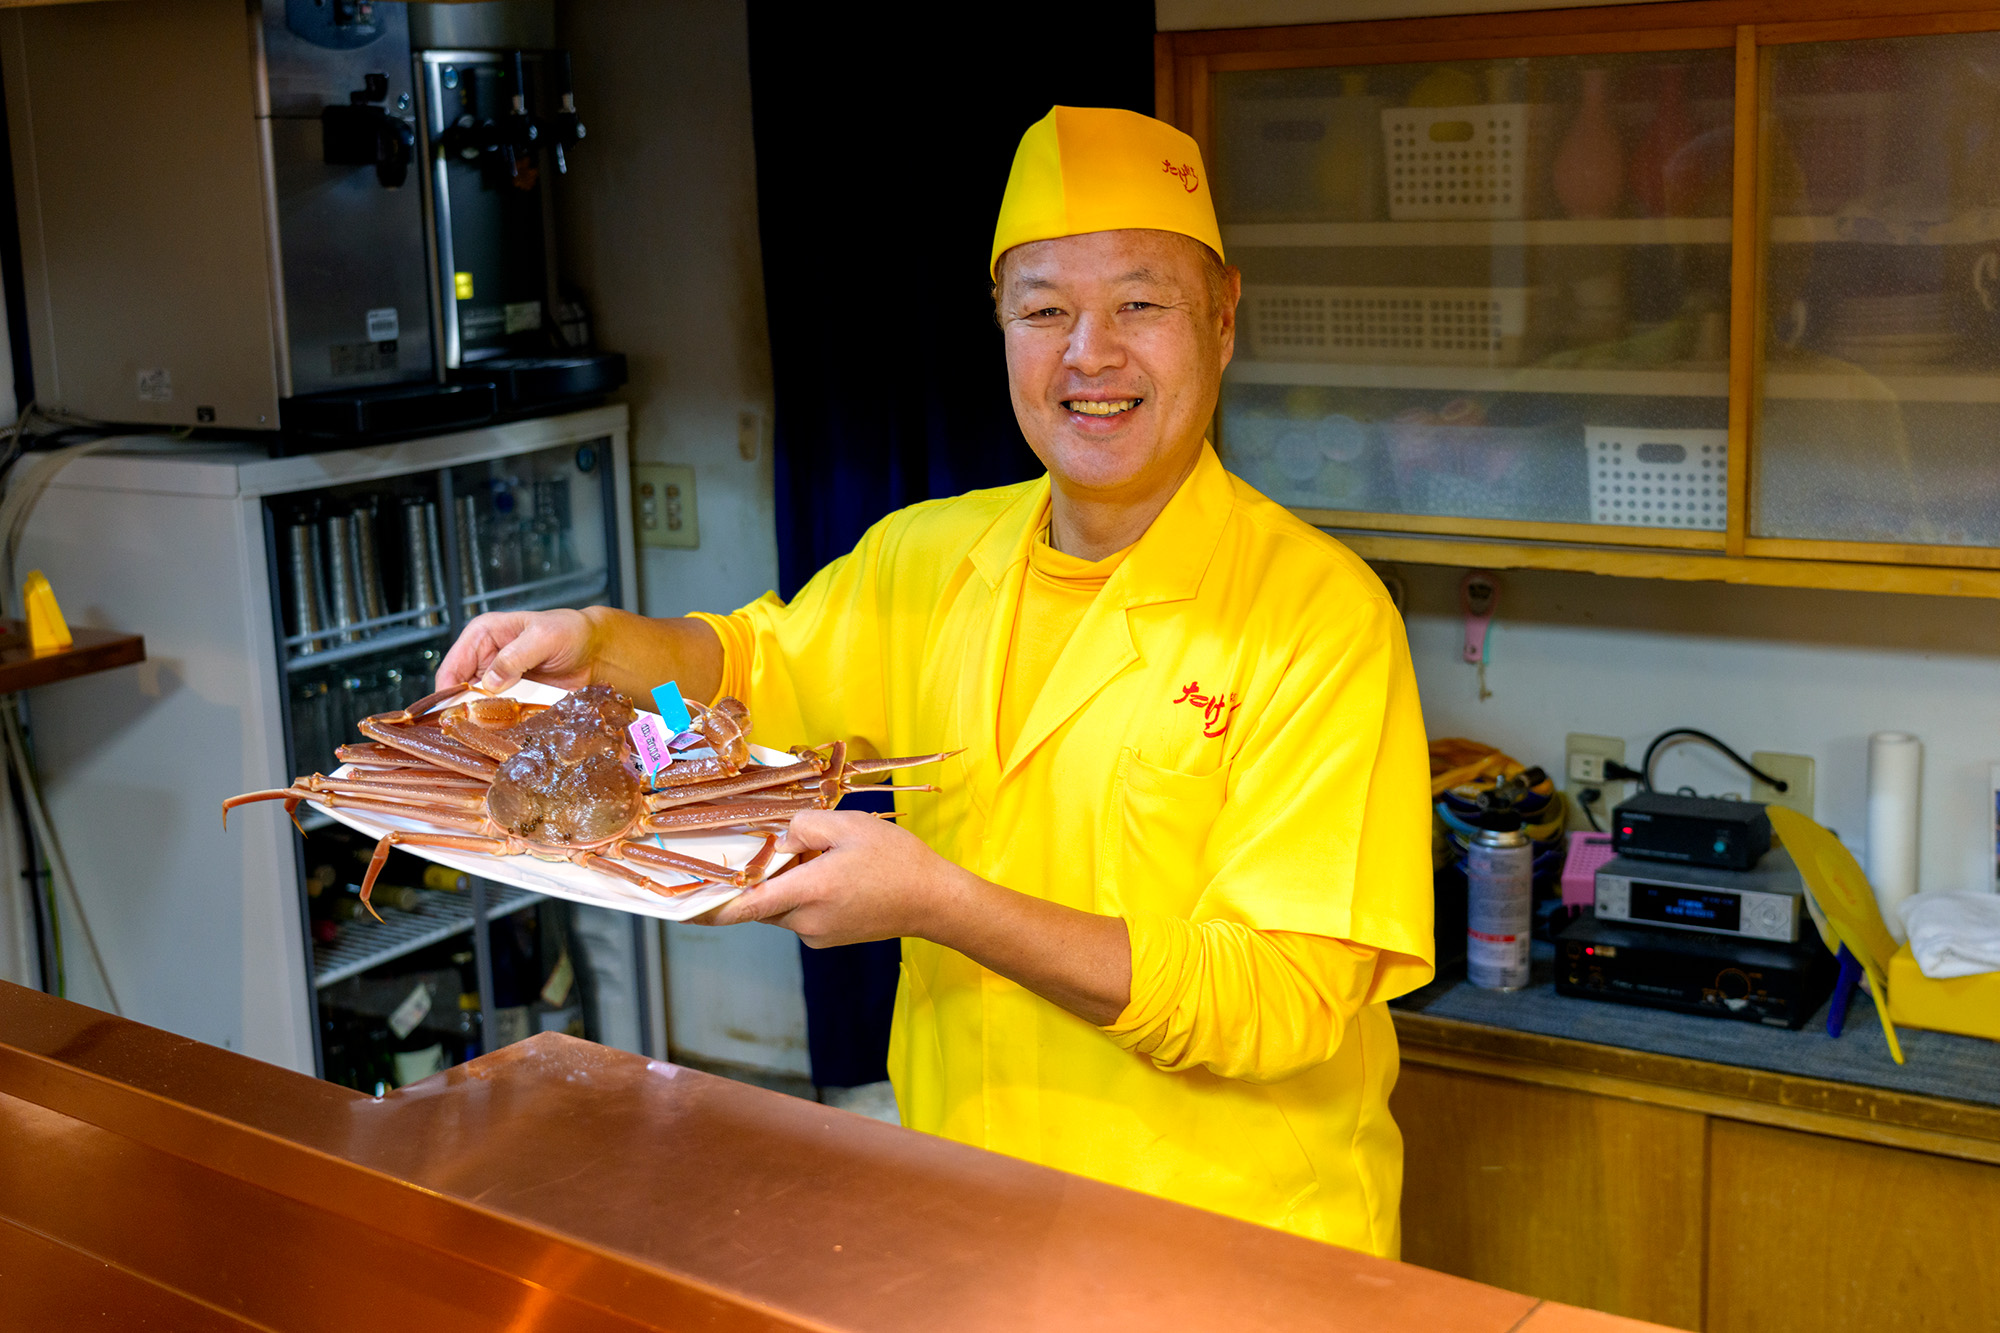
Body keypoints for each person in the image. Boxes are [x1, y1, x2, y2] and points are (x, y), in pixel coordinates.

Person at [438, 106, 1434, 1256]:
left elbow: (1279, 997)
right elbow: (747, 671)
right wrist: (600, 645)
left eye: (1140, 305)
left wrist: (943, 904)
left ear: (1220, 319)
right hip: (973, 1213)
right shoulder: (926, 559)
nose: (1088, 355)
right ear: (1000, 325)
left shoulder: (1319, 617)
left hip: (1229, 1251)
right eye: (1043, 310)